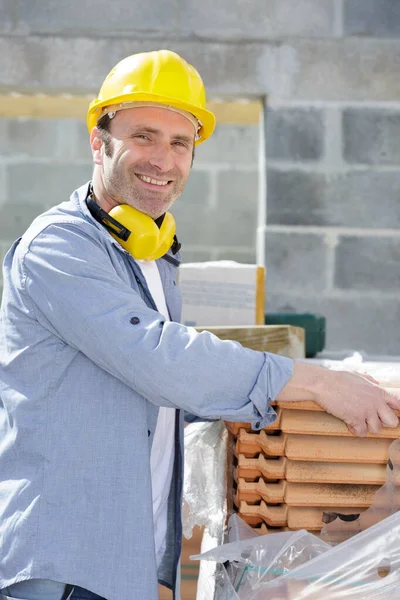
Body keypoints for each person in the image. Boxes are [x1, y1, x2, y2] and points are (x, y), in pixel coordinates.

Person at [0, 49, 399, 600]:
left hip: (121, 569)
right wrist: (314, 381)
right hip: (64, 569)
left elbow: (156, 402)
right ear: (99, 140)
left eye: (180, 143)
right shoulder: (59, 248)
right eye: (144, 136)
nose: (163, 159)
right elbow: (158, 360)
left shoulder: (151, 257)